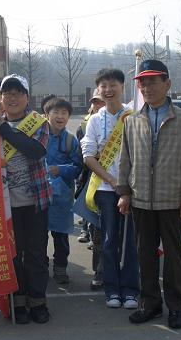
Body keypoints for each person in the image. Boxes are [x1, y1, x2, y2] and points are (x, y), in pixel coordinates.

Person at [117, 60, 181, 329]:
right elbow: (125, 161)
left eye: (153, 81)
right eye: (143, 82)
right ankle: (150, 304)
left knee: (174, 256)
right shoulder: (132, 121)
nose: (147, 87)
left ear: (167, 84)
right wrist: (124, 192)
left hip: (172, 199)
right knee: (145, 255)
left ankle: (176, 306)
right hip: (141, 199)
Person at [0, 74, 52, 324]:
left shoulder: (38, 122)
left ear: (27, 97)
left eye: (18, 92)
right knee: (10, 255)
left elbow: (36, 151)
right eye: (8, 93)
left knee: (36, 254)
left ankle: (38, 301)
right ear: (1, 97)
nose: (13, 97)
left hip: (35, 202)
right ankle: (17, 301)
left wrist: (3, 129)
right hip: (3, 204)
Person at [81, 68, 140, 309]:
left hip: (132, 189)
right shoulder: (95, 120)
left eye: (112, 85)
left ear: (122, 86)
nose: (108, 90)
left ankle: (131, 290)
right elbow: (88, 156)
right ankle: (112, 289)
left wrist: (125, 183)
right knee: (108, 240)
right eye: (103, 86)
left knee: (130, 241)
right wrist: (111, 180)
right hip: (106, 189)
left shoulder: (134, 116)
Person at [43, 97, 82, 285]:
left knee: (61, 237)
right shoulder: (37, 136)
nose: (60, 116)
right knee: (37, 236)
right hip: (39, 194)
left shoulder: (70, 140)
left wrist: (60, 169)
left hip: (61, 198)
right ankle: (40, 267)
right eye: (55, 112)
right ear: (46, 115)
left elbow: (78, 167)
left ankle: (60, 268)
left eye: (64, 113)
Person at [76, 89, 105, 250]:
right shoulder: (84, 125)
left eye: (100, 101)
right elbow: (81, 154)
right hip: (90, 174)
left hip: (110, 177)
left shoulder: (120, 121)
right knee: (89, 204)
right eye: (94, 102)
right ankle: (88, 231)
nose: (97, 105)